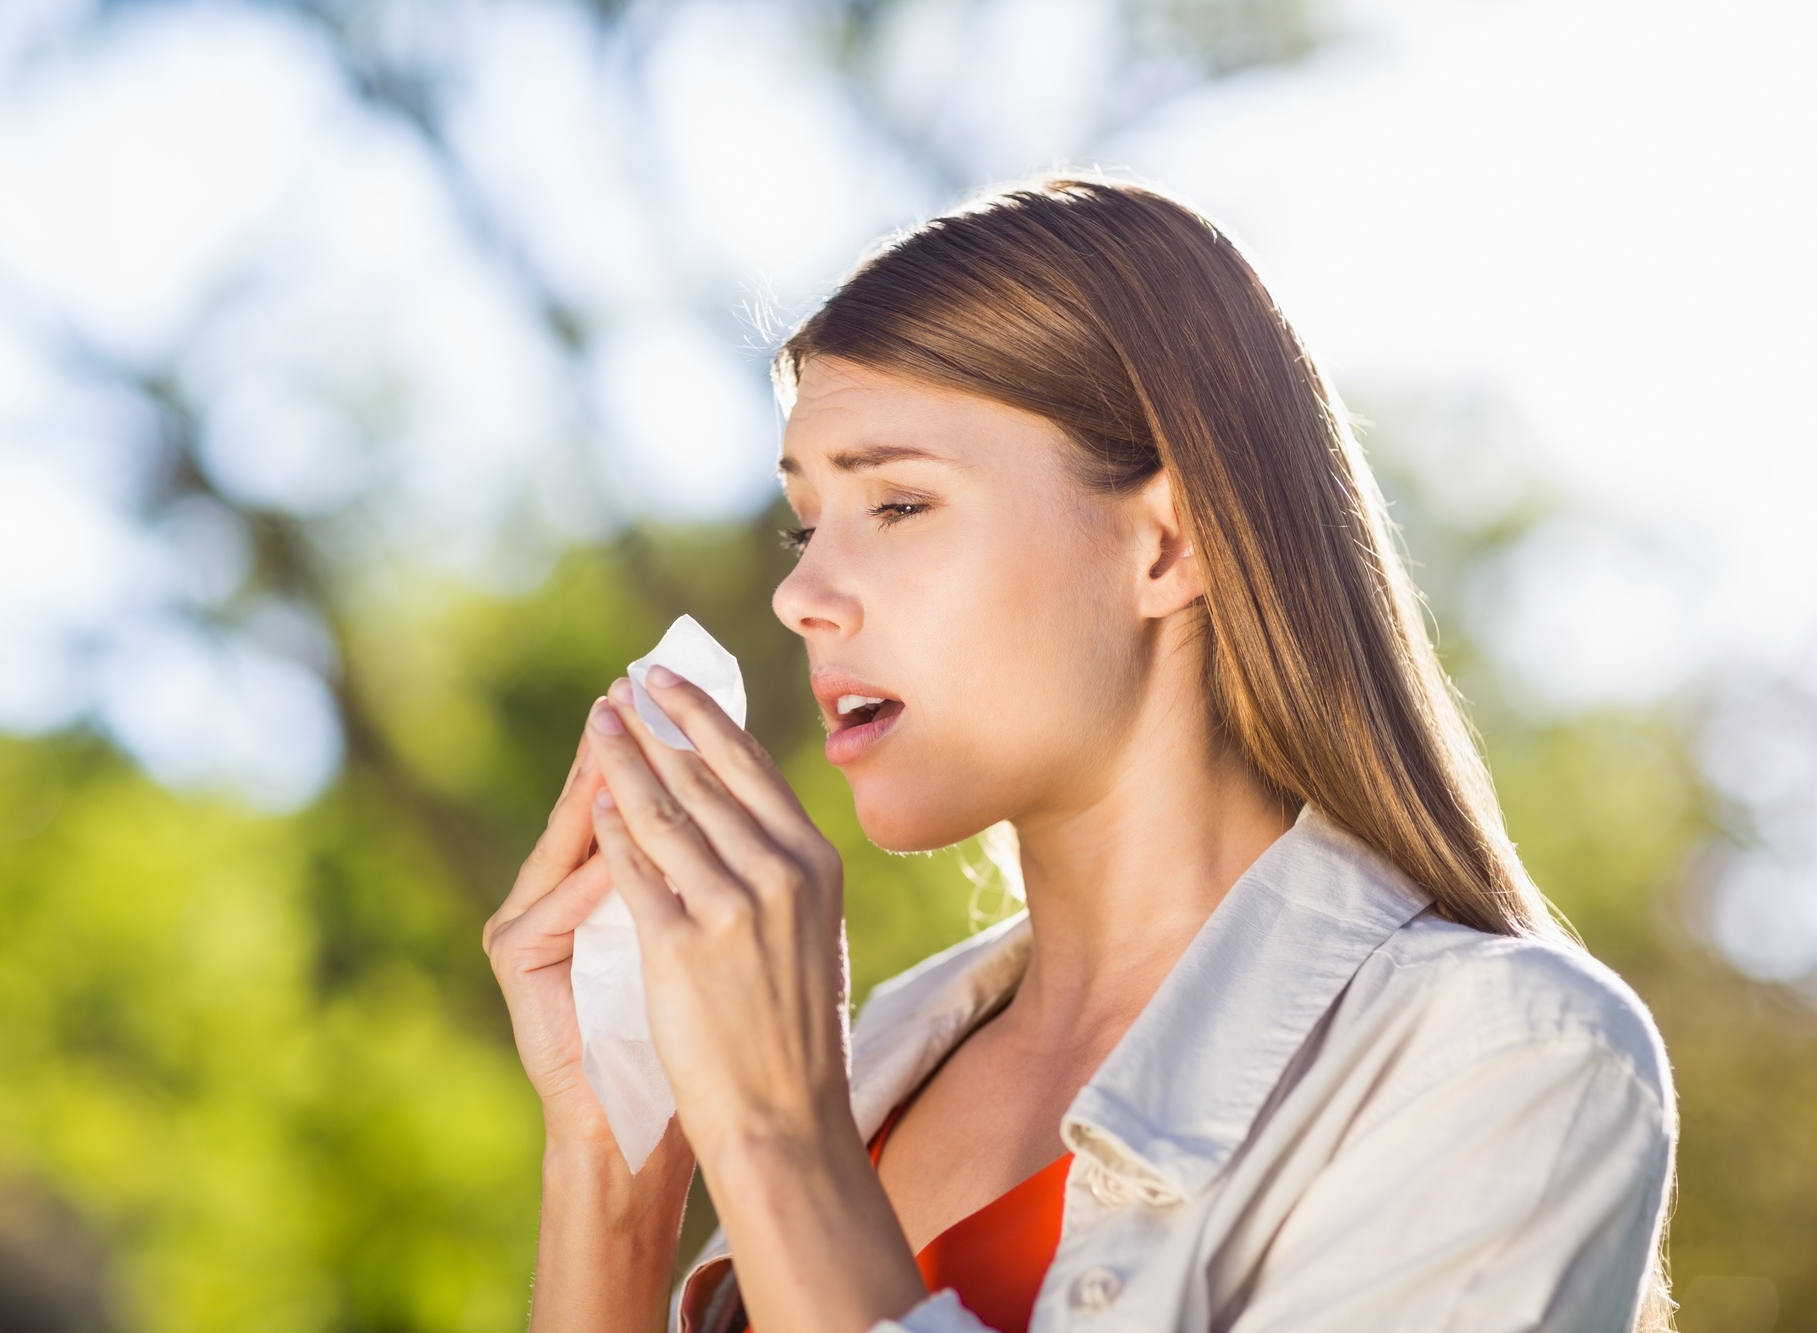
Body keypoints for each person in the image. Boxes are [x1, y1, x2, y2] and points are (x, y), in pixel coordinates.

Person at [483, 179, 1675, 1333]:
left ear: (1164, 545)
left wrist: (778, 1141)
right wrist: (616, 1168)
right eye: (806, 523)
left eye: (895, 505)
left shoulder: (1506, 1062)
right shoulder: (870, 1064)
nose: (800, 594)